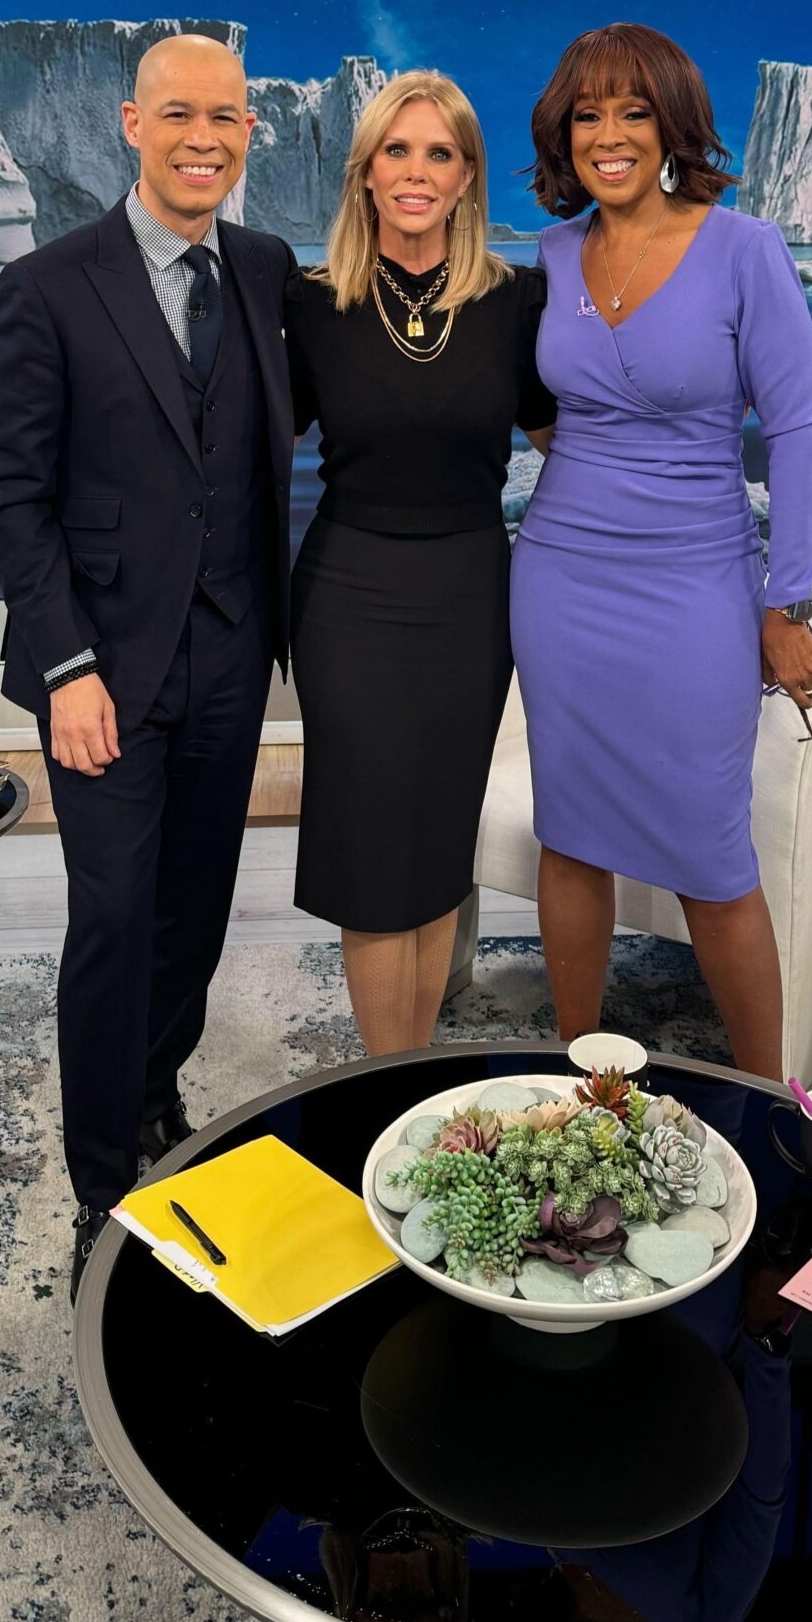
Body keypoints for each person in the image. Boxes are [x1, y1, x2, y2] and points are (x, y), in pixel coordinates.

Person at [0, 34, 295, 1300]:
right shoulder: (47, 284)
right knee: (112, 920)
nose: (201, 137)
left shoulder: (264, 269)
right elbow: (11, 496)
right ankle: (103, 1187)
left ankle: (155, 1092)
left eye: (223, 116)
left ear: (248, 131)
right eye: (177, 115)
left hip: (229, 652)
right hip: (100, 670)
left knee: (194, 910)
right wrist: (65, 667)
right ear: (129, 123)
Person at [510, 22, 812, 1080]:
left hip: (696, 582)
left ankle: (769, 1100)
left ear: (671, 127)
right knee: (569, 832)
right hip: (560, 578)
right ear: (564, 134)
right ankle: (582, 1075)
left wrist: (784, 603)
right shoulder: (551, 257)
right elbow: (547, 412)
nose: (608, 135)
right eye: (587, 114)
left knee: (710, 851)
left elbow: (796, 431)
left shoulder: (745, 248)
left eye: (633, 112)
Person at [285, 70, 556, 1057]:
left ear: (466, 175)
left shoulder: (516, 302)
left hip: (468, 598)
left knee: (439, 845)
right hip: (346, 594)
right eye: (395, 150)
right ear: (364, 172)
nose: (415, 170)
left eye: (438, 152)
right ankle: (382, 1077)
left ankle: (415, 1071)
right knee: (369, 851)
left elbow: (567, 443)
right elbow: (239, 448)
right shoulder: (310, 302)